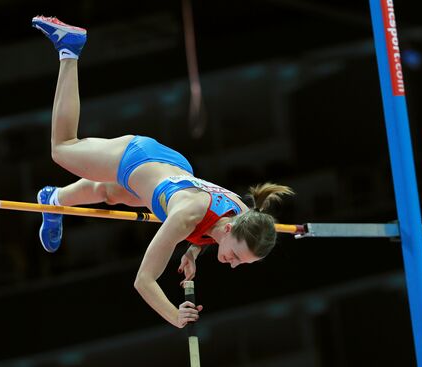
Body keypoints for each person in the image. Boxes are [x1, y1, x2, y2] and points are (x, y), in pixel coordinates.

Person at [31, 16, 294, 329]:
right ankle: (69, 49)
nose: (234, 265)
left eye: (241, 262)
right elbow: (144, 280)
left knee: (108, 193)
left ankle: (53, 199)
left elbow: (214, 229)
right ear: (228, 232)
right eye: (237, 257)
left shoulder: (240, 210)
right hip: (136, 159)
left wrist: (194, 252)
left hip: (171, 169)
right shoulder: (185, 217)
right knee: (62, 148)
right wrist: (176, 316)